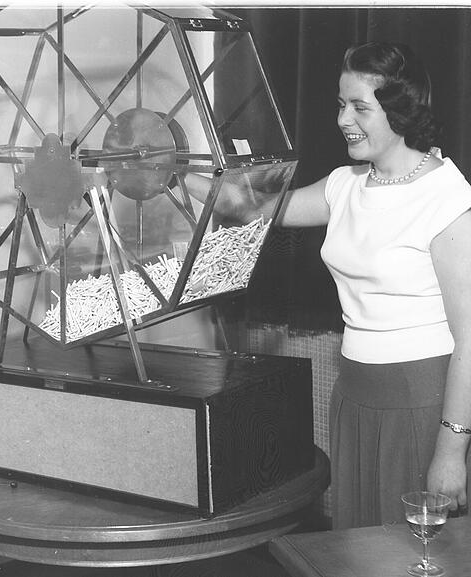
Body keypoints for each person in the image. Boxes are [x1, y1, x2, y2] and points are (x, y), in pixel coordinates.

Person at [186, 41, 471, 529]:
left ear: (400, 110)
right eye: (341, 104)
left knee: (407, 555)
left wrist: (451, 450)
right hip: (353, 394)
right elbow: (250, 207)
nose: (343, 119)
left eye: (360, 106)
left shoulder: (445, 196)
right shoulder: (345, 185)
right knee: (358, 546)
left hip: (420, 403)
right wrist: (168, 173)